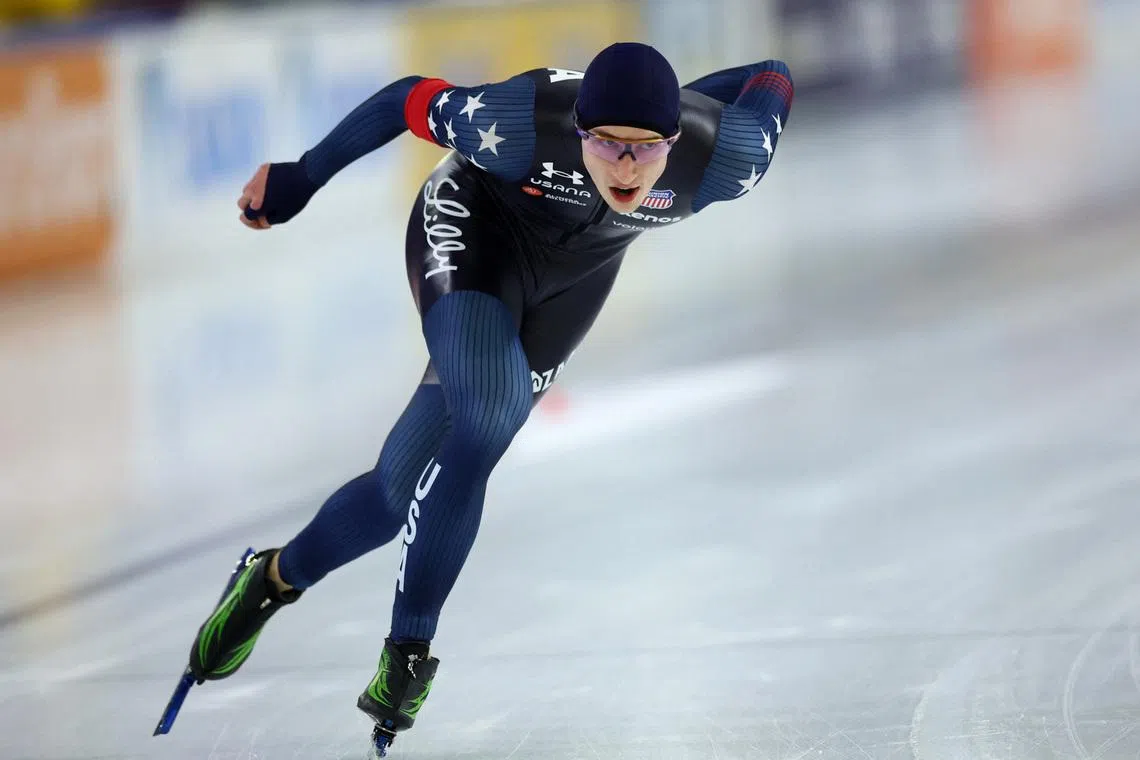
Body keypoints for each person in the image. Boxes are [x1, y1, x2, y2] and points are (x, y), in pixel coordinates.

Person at [184, 41, 793, 752]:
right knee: (489, 417)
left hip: (574, 281)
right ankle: (409, 652)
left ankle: (269, 581)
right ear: (579, 129)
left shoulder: (729, 156)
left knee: (393, 495)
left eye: (645, 149)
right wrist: (302, 176)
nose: (625, 169)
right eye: (605, 144)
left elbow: (772, 76)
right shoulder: (522, 121)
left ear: (676, 139)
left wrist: (675, 99)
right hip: (475, 232)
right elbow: (406, 98)